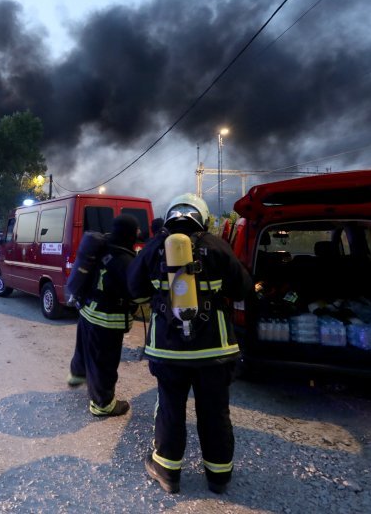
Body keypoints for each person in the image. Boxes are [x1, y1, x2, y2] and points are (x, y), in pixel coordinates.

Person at [128, 193, 252, 495]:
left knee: (171, 408)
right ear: (204, 218)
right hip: (215, 350)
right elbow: (243, 289)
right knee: (215, 411)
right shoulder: (217, 246)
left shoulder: (154, 248)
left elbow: (134, 291)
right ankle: (219, 477)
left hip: (168, 350)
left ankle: (168, 472)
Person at [68, 214, 144, 417]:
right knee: (105, 362)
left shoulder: (101, 249)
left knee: (84, 349)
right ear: (129, 234)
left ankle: (77, 375)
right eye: (135, 232)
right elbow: (136, 294)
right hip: (107, 320)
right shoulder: (126, 261)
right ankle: (103, 404)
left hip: (87, 311)